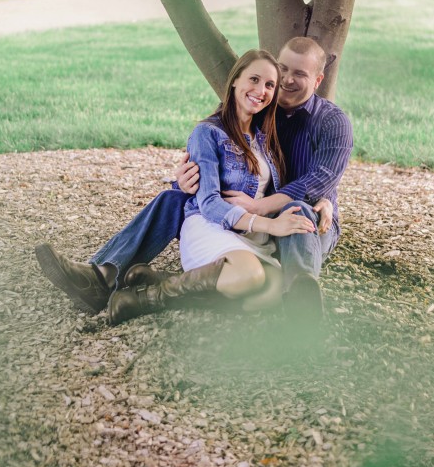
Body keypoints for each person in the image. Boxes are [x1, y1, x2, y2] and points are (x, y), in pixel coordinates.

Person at [34, 37, 352, 321]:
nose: (283, 83)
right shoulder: (257, 118)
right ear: (236, 82)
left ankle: (295, 292)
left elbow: (321, 177)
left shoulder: (329, 121)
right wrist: (185, 181)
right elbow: (215, 165)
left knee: (295, 221)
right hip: (243, 220)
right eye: (281, 73)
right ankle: (101, 275)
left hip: (302, 220)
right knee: (175, 198)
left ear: (318, 79)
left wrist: (318, 199)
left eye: (300, 74)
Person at [105, 49, 317, 323]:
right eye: (253, 79)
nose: (260, 90)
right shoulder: (207, 133)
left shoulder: (266, 139)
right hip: (210, 226)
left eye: (269, 85)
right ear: (234, 81)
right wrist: (269, 225)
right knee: (249, 277)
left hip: (251, 239)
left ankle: (169, 281)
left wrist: (323, 201)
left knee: (267, 297)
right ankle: (147, 297)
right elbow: (209, 203)